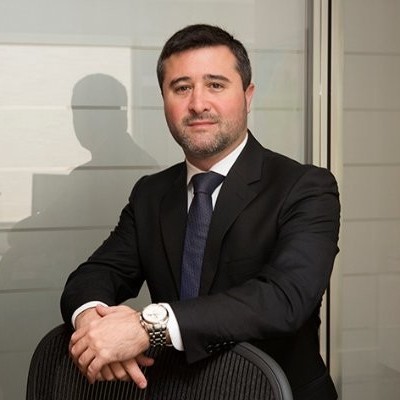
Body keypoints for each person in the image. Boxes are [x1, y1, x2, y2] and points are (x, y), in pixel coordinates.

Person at [61, 24, 340, 400]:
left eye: (216, 85)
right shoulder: (151, 194)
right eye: (181, 88)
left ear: (248, 96)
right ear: (164, 100)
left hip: (277, 392)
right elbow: (96, 274)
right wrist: (93, 325)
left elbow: (284, 299)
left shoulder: (305, 187)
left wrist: (147, 327)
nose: (197, 104)